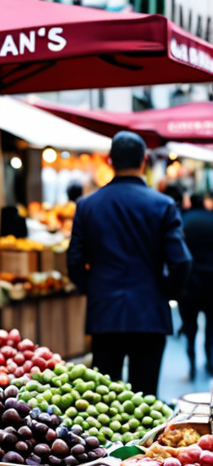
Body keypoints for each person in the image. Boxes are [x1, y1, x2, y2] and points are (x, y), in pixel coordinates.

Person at [68, 131, 192, 396]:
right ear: (144, 160)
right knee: (146, 401)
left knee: (102, 403)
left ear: (110, 161)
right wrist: (166, 292)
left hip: (104, 313)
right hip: (149, 313)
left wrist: (95, 288)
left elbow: (74, 263)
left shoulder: (87, 206)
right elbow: (181, 262)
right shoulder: (163, 204)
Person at [180, 193, 213, 378]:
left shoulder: (185, 221)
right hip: (212, 283)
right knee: (211, 327)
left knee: (190, 327)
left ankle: (191, 364)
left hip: (190, 282)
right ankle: (210, 361)